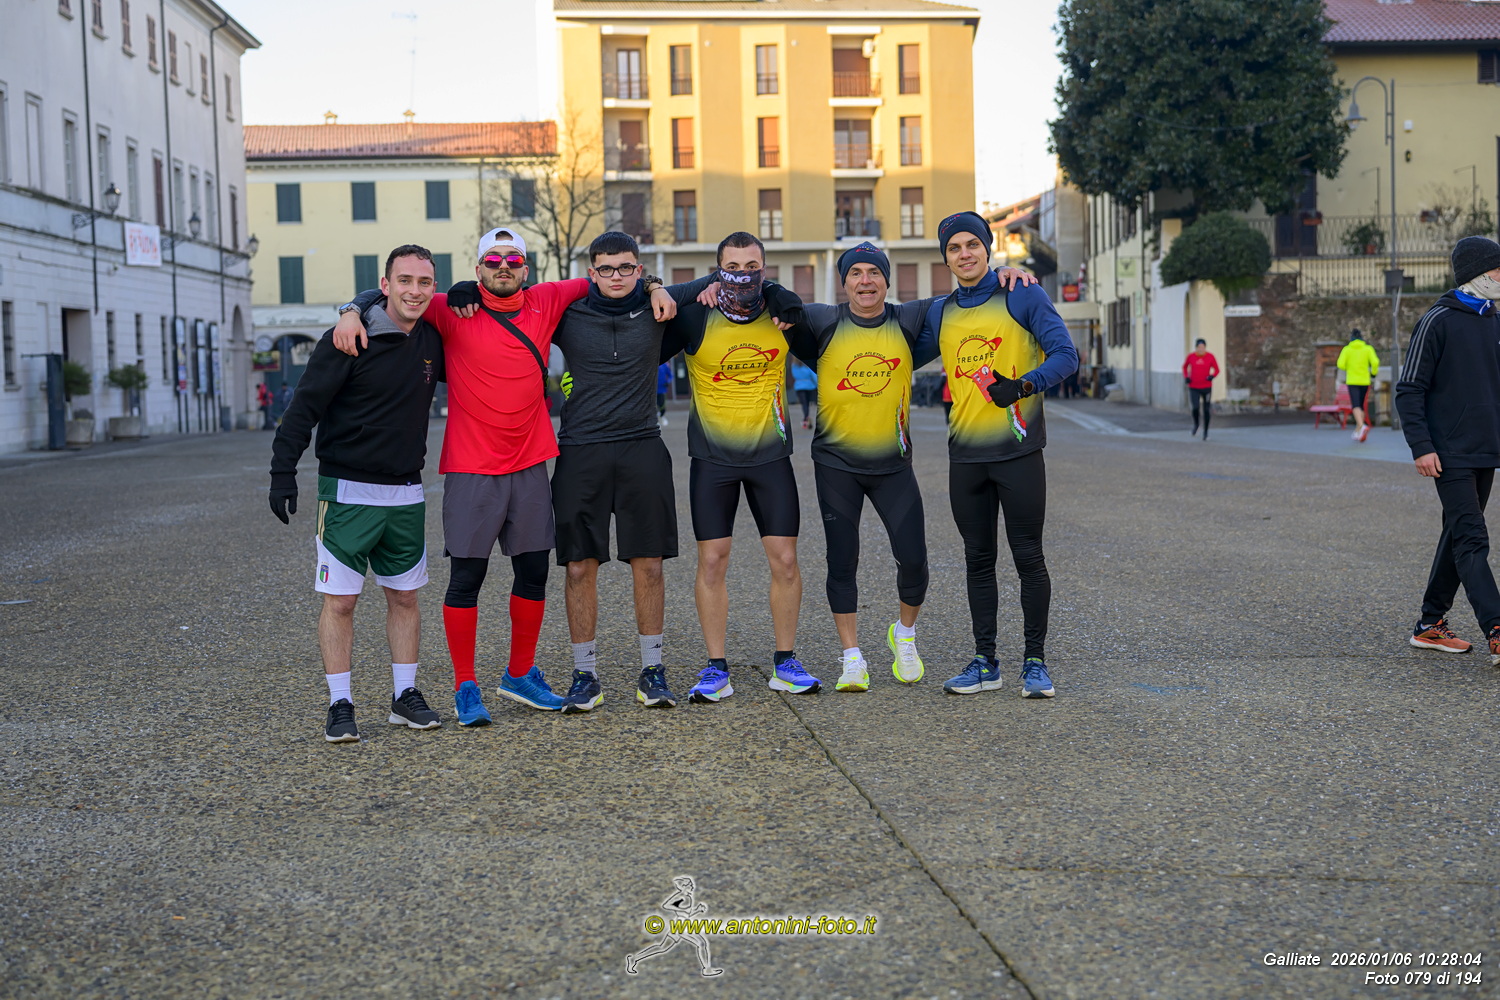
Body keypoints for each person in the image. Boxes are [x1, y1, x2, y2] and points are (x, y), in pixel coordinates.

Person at [331, 226, 677, 724]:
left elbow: (612, 277)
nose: (503, 267)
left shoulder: (549, 298)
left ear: (526, 268)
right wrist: (350, 309)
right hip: (472, 465)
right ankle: (465, 685)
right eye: (493, 261)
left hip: (531, 462)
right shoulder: (450, 308)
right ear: (478, 268)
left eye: (513, 260)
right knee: (466, 578)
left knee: (533, 573)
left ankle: (519, 674)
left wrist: (656, 285)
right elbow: (395, 296)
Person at [783, 240, 1035, 692]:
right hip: (836, 464)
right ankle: (852, 657)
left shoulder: (910, 319)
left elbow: (967, 291)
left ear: (887, 280)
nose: (865, 281)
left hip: (894, 466)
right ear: (844, 282)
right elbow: (772, 305)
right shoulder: (823, 320)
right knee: (842, 560)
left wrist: (1006, 273)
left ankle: (904, 634)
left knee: (915, 560)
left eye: (874, 273)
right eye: (855, 273)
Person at [474, 231, 707, 713]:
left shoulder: (659, 305)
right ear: (591, 272)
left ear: (638, 269)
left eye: (626, 268)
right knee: (580, 566)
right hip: (581, 450)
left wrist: (658, 286)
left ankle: (653, 670)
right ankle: (585, 675)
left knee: (649, 563)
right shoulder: (567, 310)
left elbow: (725, 279)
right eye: (606, 268)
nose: (616, 276)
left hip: (642, 445)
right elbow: (505, 294)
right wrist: (460, 289)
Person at [268, 244, 446, 743]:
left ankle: (404, 696)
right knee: (342, 602)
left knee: (405, 596)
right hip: (347, 489)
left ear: (434, 288)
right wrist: (282, 472)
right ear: (385, 285)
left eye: (424, 283)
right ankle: (340, 703)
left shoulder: (433, 339)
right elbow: (303, 408)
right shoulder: (349, 337)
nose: (414, 291)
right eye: (404, 281)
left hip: (406, 490)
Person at [919, 211, 1078, 699]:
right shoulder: (939, 312)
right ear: (945, 258)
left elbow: (1066, 356)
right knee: (978, 559)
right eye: (954, 248)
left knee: (1028, 556)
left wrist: (1023, 386)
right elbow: (880, 335)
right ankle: (985, 663)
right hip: (966, 457)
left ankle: (1035, 663)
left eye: (973, 244)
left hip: (1018, 452)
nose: (964, 254)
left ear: (988, 248)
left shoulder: (1022, 293)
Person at [659, 231, 819, 702]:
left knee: (785, 560)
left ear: (764, 270)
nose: (743, 275)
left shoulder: (783, 315)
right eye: (732, 267)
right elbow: (638, 329)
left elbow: (834, 349)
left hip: (771, 457)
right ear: (717, 270)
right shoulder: (695, 316)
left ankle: (785, 662)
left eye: (753, 267)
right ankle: (716, 669)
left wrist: (786, 297)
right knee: (712, 561)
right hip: (713, 460)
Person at [1396, 236, 1500, 663]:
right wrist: (1421, 447)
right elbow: (1409, 389)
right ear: (1478, 273)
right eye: (1498, 270)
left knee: (1457, 533)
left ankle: (1429, 624)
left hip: (1485, 450)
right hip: (1448, 453)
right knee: (1473, 538)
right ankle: (1497, 627)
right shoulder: (1436, 320)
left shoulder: (1494, 320)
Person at [1337, 328, 1381, 443]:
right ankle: (1358, 431)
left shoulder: (1347, 349)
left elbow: (1340, 364)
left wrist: (1349, 367)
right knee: (1361, 405)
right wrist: (1373, 373)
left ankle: (1361, 426)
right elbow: (1375, 362)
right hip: (1365, 381)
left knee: (1355, 405)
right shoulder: (1368, 349)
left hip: (1353, 380)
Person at [1182, 339, 1219, 439]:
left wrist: (1212, 376)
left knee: (1206, 410)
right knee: (1195, 407)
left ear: (1205, 348)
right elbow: (1184, 367)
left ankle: (1206, 432)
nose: (1201, 349)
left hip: (1206, 387)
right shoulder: (1191, 357)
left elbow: (1217, 369)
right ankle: (1196, 424)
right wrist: (1186, 377)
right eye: (1199, 347)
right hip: (1194, 387)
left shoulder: (1210, 357)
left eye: (1203, 347)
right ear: (1196, 348)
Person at [792, 358, 818, 429]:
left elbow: (794, 375)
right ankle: (806, 418)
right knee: (807, 403)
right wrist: (817, 384)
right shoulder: (807, 365)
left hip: (799, 386)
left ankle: (806, 418)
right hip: (809, 386)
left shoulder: (794, 366)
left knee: (804, 403)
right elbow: (813, 375)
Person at [657, 361, 673, 427]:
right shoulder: (651, 364)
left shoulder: (664, 365)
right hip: (652, 390)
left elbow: (671, 375)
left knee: (662, 405)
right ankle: (656, 421)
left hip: (662, 390)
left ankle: (662, 417)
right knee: (654, 406)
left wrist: (668, 382)